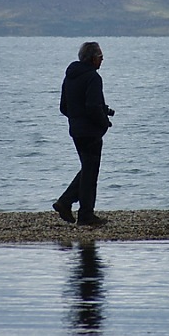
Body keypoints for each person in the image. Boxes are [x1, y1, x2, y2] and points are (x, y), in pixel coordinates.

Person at [53, 42, 114, 227]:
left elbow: (64, 107)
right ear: (93, 58)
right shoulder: (93, 78)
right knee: (90, 171)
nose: (102, 60)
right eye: (101, 57)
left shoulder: (70, 77)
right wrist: (104, 123)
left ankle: (71, 206)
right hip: (90, 132)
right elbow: (93, 106)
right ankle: (81, 212)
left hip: (76, 131)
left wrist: (77, 118)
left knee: (88, 169)